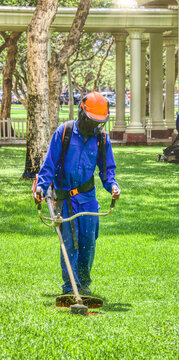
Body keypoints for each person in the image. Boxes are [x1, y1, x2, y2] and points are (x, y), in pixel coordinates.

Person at [33, 91, 120, 296]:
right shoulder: (65, 133)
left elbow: (107, 171)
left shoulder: (101, 138)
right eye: (91, 120)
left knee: (88, 242)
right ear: (82, 112)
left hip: (88, 198)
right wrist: (41, 187)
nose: (94, 125)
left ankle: (83, 284)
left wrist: (113, 187)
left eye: (98, 121)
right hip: (64, 198)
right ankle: (69, 288)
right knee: (69, 243)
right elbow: (49, 166)